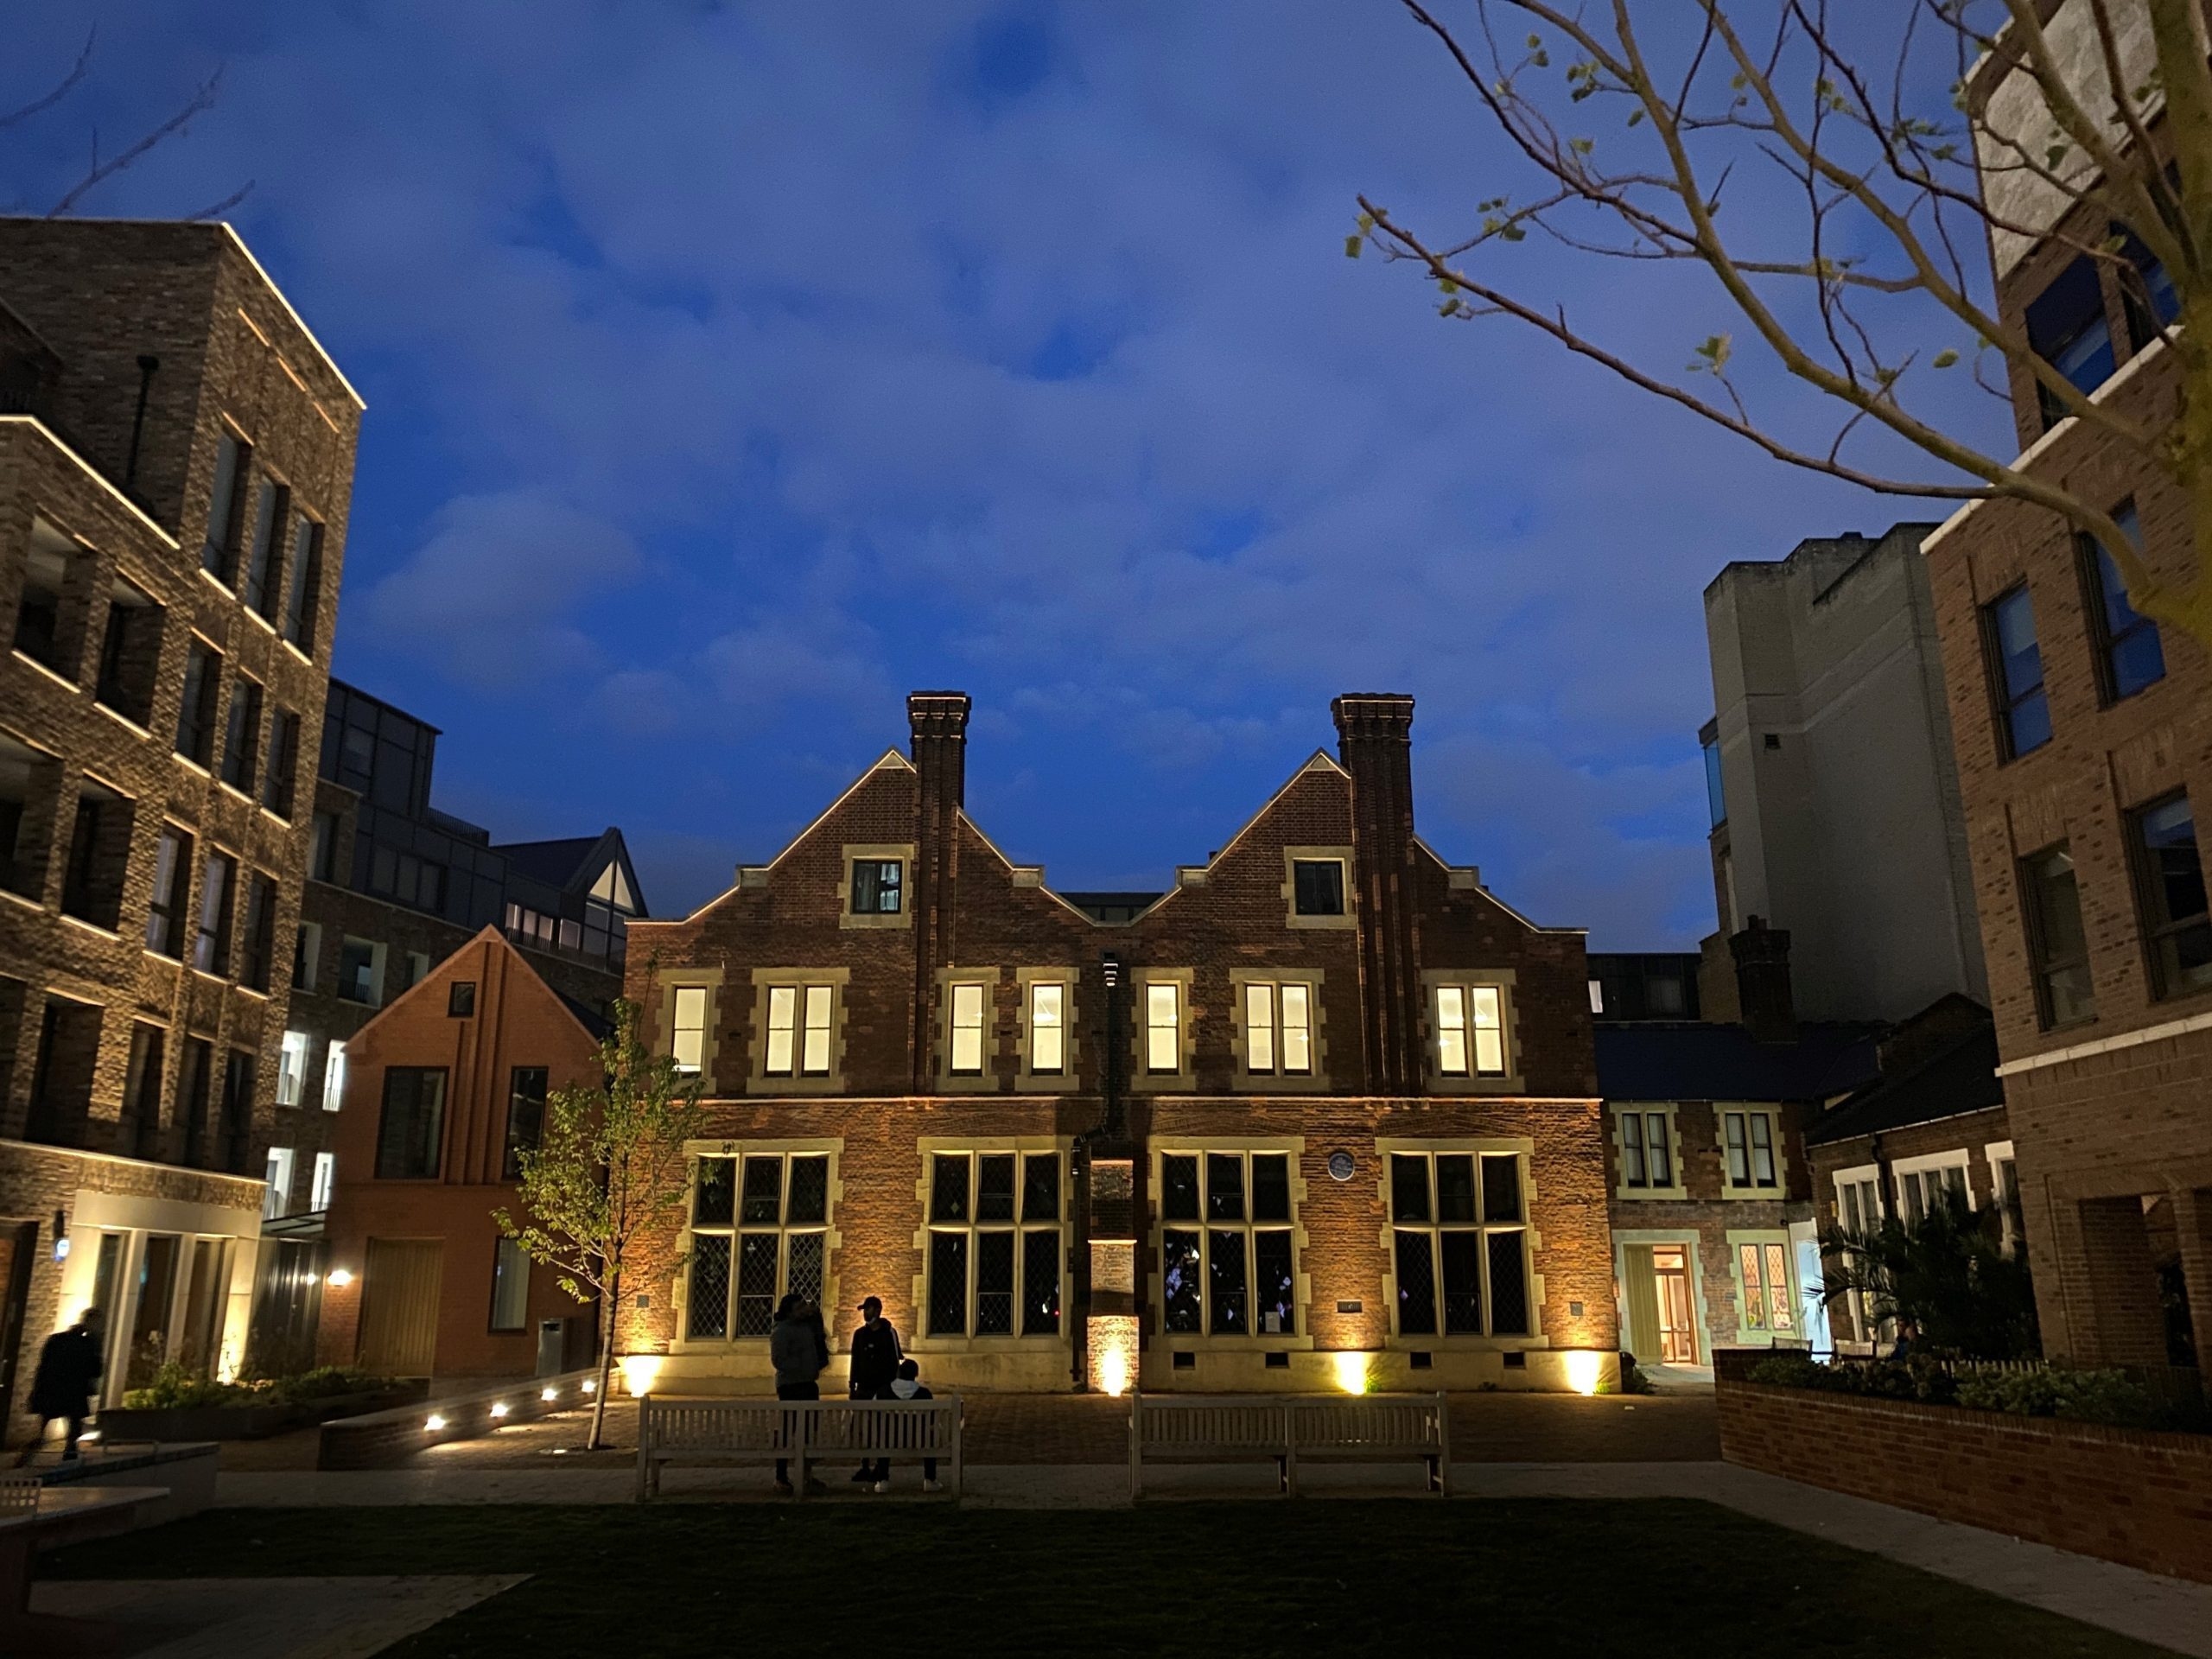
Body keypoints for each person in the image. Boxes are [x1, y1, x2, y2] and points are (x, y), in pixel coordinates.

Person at [17, 1309, 103, 1465]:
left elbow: (44, 1366)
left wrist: (39, 1389)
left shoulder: (57, 1340)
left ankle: (27, 1456)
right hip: (73, 1391)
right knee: (74, 1428)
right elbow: (96, 1370)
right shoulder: (87, 1344)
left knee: (45, 1426)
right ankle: (68, 1459)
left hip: (53, 1389)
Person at [769, 1294, 828, 1495]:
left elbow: (820, 1337)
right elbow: (779, 1360)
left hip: (808, 1383)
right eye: (799, 1307)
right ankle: (781, 1477)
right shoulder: (782, 1330)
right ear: (789, 1312)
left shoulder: (806, 1326)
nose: (804, 1309)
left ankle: (806, 1475)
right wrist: (803, 1368)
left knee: (809, 1430)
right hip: (791, 1385)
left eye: (804, 1305)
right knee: (788, 1430)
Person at [848, 1294, 902, 1484]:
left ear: (877, 1310)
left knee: (883, 1429)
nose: (865, 1313)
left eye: (868, 1309)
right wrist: (852, 1385)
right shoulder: (859, 1335)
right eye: (865, 1310)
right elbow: (855, 1360)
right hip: (864, 1387)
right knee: (864, 1429)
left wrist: (893, 1386)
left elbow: (895, 1360)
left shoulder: (888, 1333)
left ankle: (882, 1467)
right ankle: (864, 1465)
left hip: (883, 1388)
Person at [873, 1357, 940, 1494]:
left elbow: (874, 1416)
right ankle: (930, 1479)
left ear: (898, 1373)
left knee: (884, 1435)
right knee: (930, 1437)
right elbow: (932, 1419)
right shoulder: (924, 1394)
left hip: (889, 1440)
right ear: (916, 1374)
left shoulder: (883, 1392)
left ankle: (882, 1480)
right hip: (919, 1440)